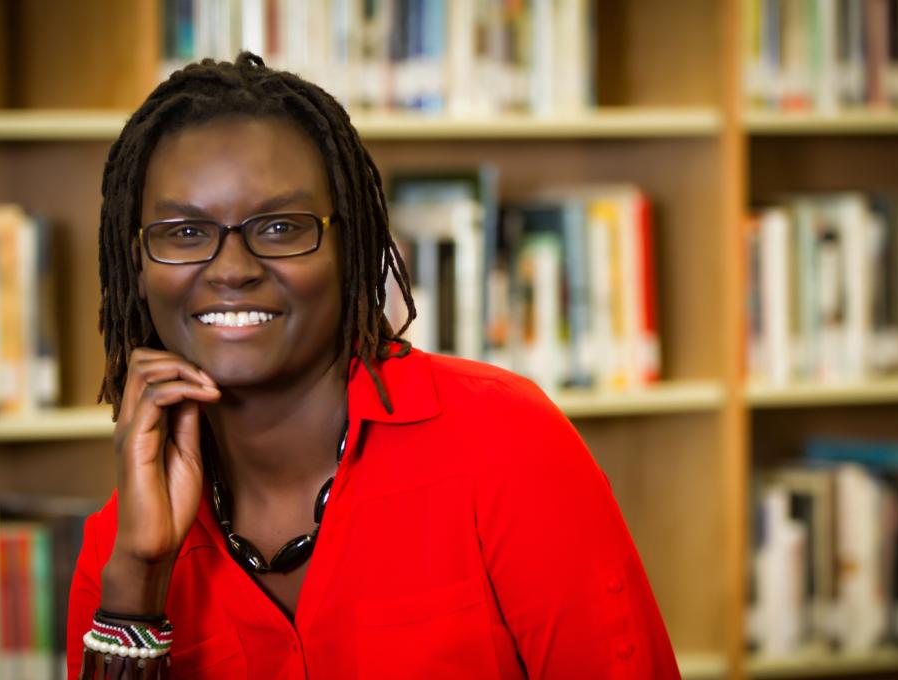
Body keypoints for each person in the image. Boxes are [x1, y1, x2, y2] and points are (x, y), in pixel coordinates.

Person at [67, 52, 680, 679]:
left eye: (281, 227)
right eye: (185, 232)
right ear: (135, 264)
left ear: (351, 245)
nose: (232, 269)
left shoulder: (506, 442)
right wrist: (138, 585)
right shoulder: (120, 544)